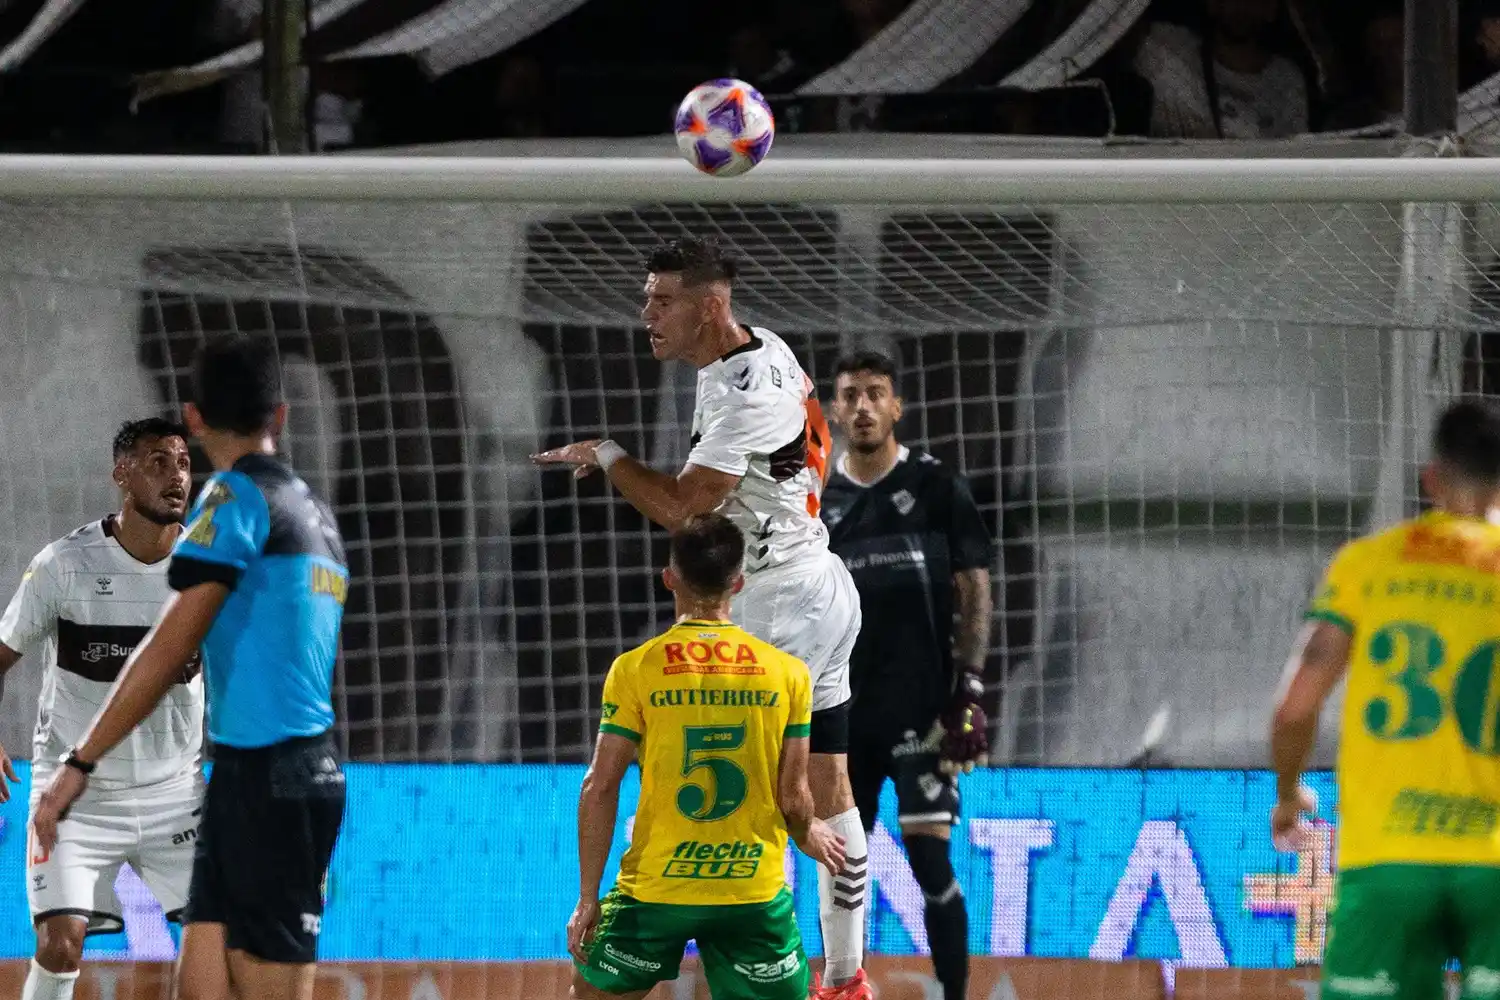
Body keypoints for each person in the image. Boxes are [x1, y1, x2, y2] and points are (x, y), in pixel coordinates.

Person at [533, 235, 871, 999]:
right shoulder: (750, 353)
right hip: (815, 582)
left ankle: (724, 929)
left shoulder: (750, 393)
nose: (645, 314)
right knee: (830, 783)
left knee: (761, 792)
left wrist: (611, 455)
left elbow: (686, 507)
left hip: (775, 601)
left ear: (709, 306)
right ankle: (847, 977)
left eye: (662, 301)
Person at [30, 336, 350, 1000]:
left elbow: (171, 645)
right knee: (199, 987)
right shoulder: (313, 510)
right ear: (280, 417)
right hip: (249, 777)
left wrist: (80, 761)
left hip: (277, 781)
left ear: (194, 418)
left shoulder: (234, 499)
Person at [1272, 399, 1500, 999]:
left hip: (1387, 862)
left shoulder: (1368, 566)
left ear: (1429, 477)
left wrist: (1289, 792)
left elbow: (1296, 707)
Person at [567, 513, 846, 1000]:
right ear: (738, 583)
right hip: (750, 892)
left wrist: (588, 897)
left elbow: (600, 785)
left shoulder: (635, 669)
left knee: (588, 992)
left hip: (657, 890)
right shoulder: (788, 674)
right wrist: (809, 830)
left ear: (669, 578)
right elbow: (794, 793)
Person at [0, 419, 198, 1000]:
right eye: (158, 461)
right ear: (122, 474)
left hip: (175, 796)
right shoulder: (64, 564)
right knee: (60, 946)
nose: (176, 476)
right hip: (73, 795)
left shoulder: (209, 570)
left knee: (222, 943)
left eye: (184, 462)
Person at [820, 353, 992, 1000]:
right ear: (834, 411)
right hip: (839, 715)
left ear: (897, 408)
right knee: (842, 867)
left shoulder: (936, 485)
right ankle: (843, 987)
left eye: (875, 394)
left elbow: (975, 586)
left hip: (922, 712)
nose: (862, 406)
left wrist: (970, 688)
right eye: (850, 396)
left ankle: (955, 996)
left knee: (929, 858)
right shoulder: (818, 499)